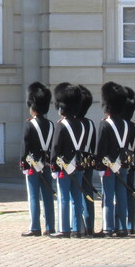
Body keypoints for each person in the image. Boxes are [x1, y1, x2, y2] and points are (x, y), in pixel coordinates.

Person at [19, 82, 55, 236]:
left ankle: (34, 227)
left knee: (33, 196)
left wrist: (23, 163)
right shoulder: (51, 125)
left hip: (33, 165)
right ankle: (50, 226)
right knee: (47, 196)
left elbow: (25, 146)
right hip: (47, 164)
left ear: (32, 106)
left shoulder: (29, 125)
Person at [50, 82, 86, 238]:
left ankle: (64, 229)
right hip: (78, 165)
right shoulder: (81, 125)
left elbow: (56, 147)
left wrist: (53, 166)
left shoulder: (61, 125)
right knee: (77, 198)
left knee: (63, 198)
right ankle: (77, 229)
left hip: (64, 166)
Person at [96, 82, 129, 237]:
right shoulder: (125, 124)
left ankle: (108, 227)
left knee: (108, 197)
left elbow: (101, 147)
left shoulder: (105, 124)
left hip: (109, 165)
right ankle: (122, 227)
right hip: (122, 164)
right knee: (121, 196)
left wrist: (100, 165)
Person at [77, 85, 97, 236]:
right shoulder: (90, 123)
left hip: (75, 162)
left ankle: (78, 224)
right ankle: (89, 224)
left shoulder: (73, 123)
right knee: (88, 192)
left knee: (76, 193)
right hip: (88, 160)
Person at [122, 87, 135, 234]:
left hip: (121, 163)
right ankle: (131, 223)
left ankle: (122, 222)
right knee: (130, 192)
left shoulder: (120, 125)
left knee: (121, 193)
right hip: (131, 162)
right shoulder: (134, 127)